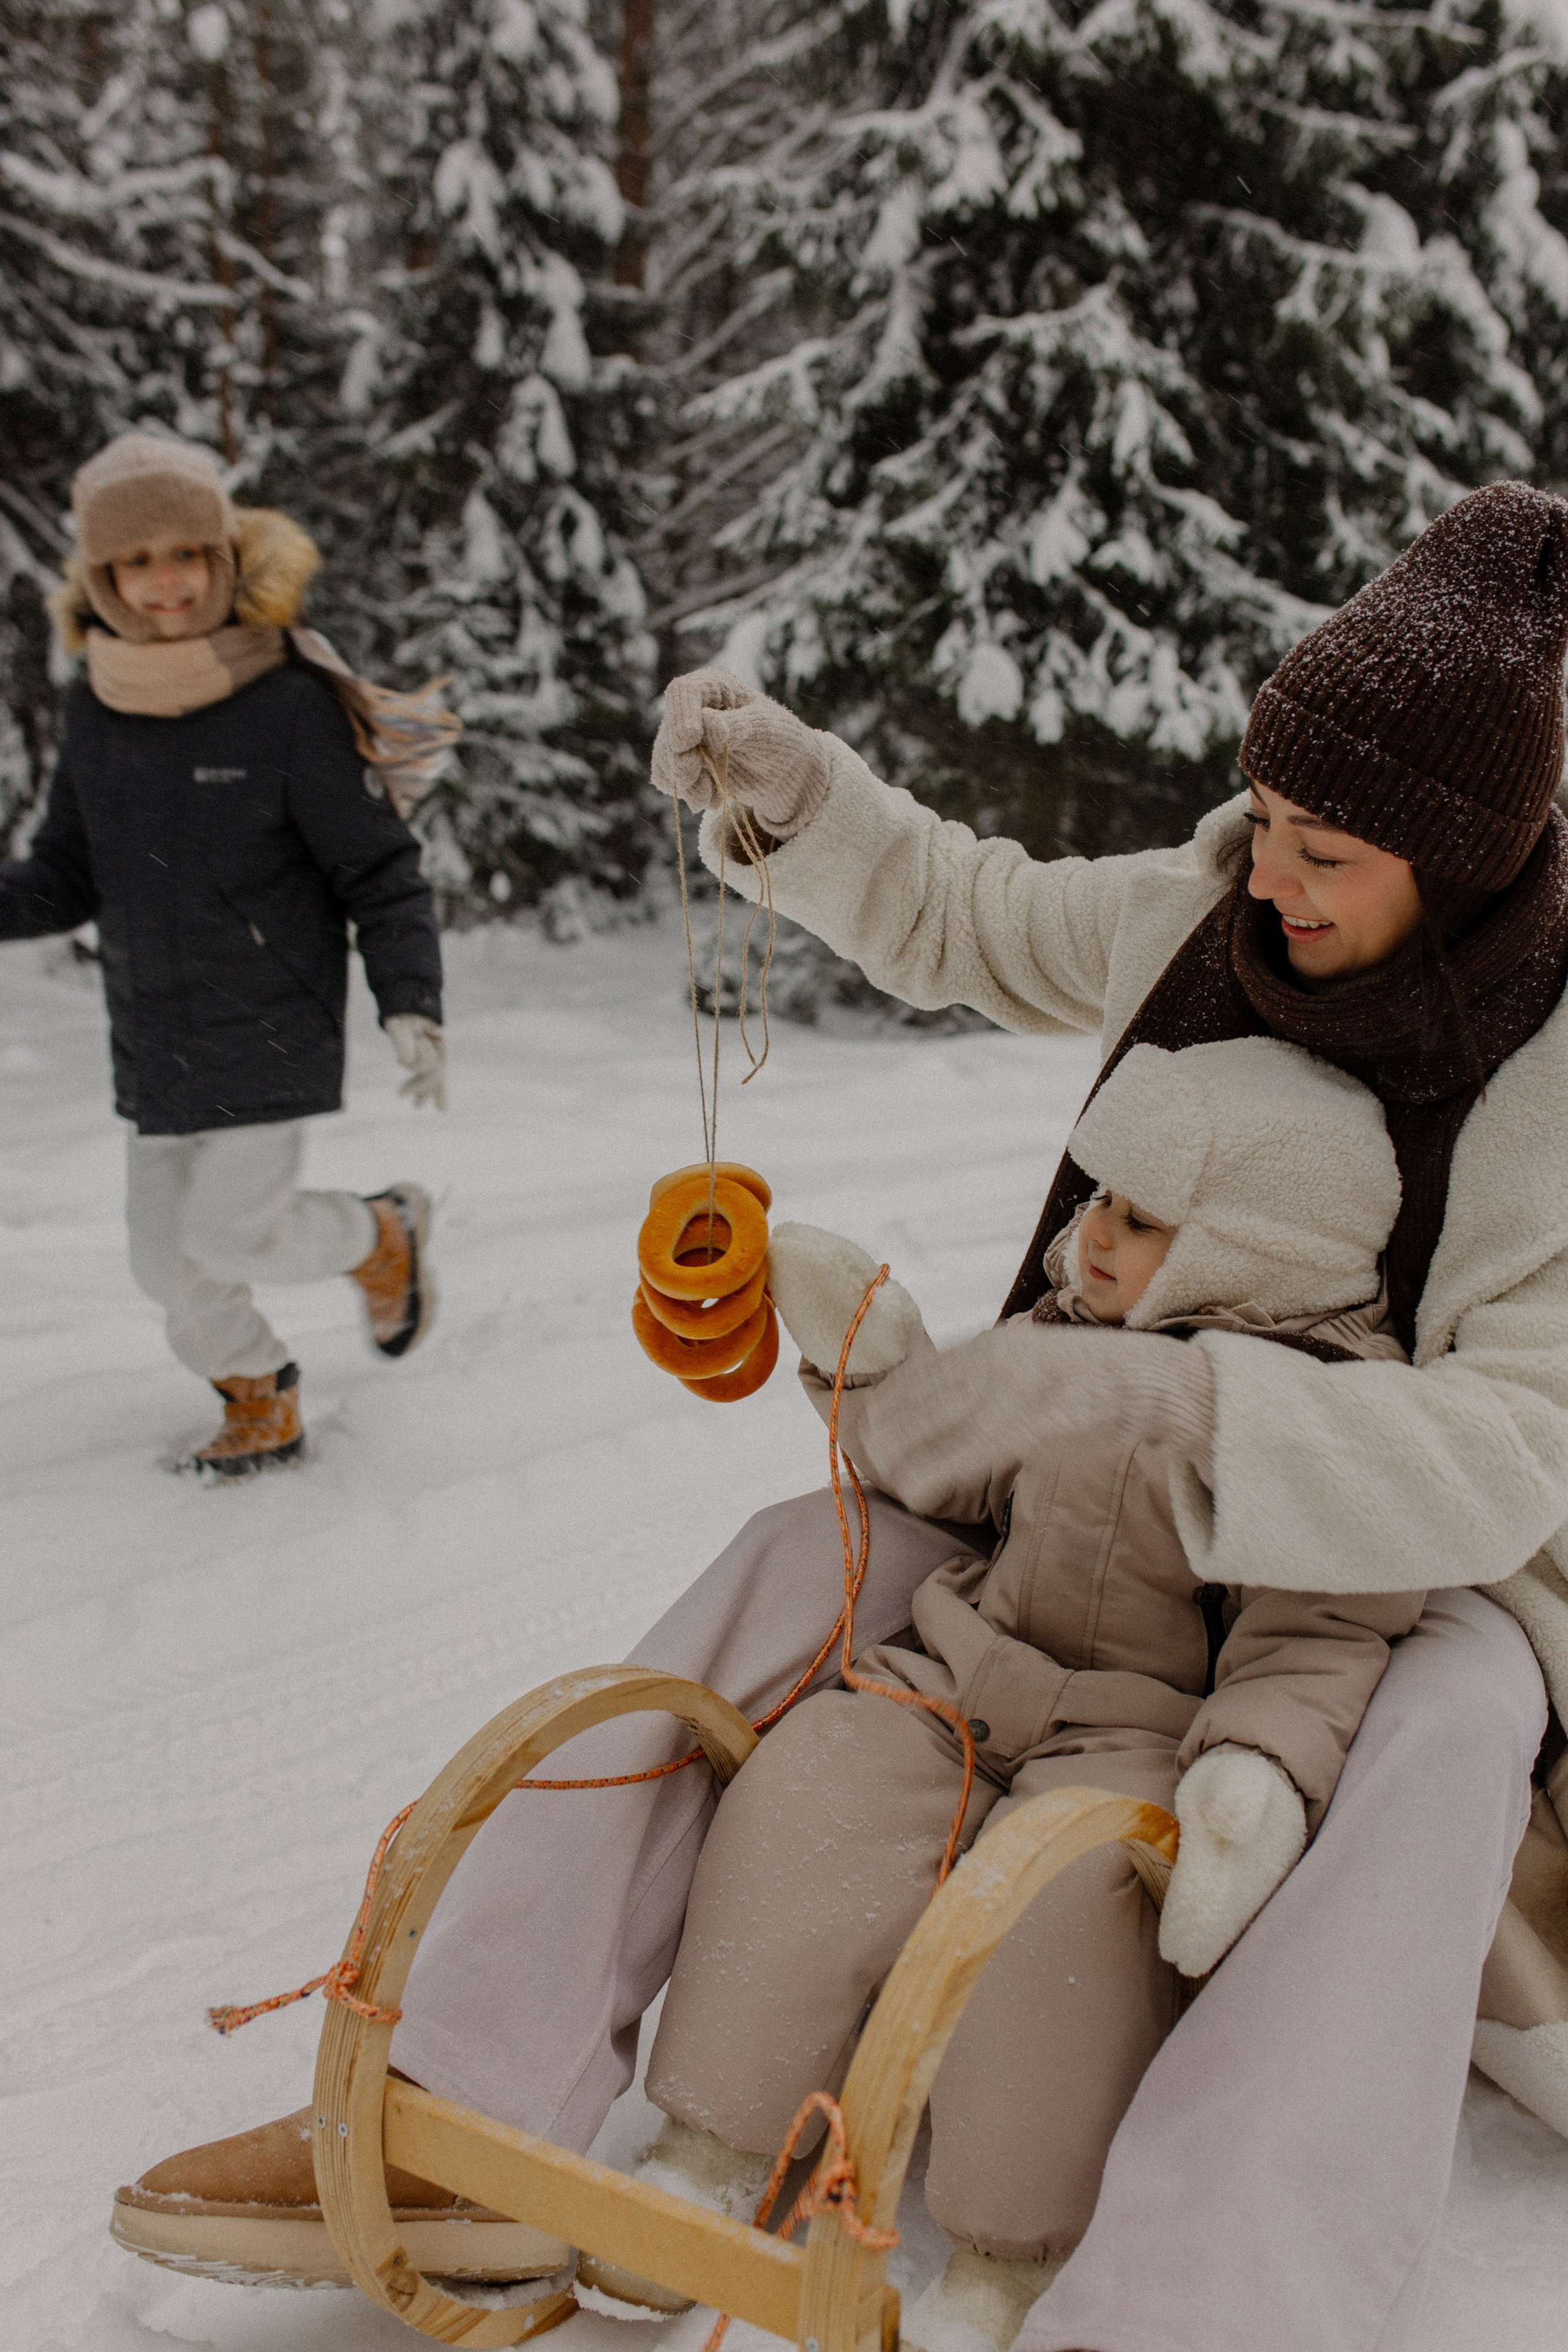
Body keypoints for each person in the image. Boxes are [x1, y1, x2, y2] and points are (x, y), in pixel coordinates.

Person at [115, 484, 1568, 2352]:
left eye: (1329, 855)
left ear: (1458, 863)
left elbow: (1507, 1457)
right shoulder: (1210, 921)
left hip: (1392, 1558)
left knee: (1455, 1718)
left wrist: (1159, 1400)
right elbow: (972, 915)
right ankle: (463, 2105)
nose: (1274, 877)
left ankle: (1228, 2295)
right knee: (796, 1557)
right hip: (1069, 1468)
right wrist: (798, 806)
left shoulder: (1548, 1082)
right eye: (1267, 820)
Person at [592, 1035, 1422, 2352]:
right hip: (956, 1675)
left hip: (1135, 1738)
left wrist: (1252, 1774)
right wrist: (877, 1375)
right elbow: (952, 1475)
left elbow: (1314, 1634)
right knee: (812, 1793)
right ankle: (711, 2146)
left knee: (1064, 1928)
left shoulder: (1311, 1423)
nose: (1089, 1236)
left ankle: (1006, 2255)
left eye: (1137, 1221)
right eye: (1097, 1198)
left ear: (1249, 1249)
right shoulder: (1065, 1339)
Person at [0, 434, 446, 1472]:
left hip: (269, 1018)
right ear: (104, 578)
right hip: (156, 1031)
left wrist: (410, 996)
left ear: (223, 557)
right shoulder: (96, 705)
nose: (165, 582)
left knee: (229, 1236)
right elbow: (66, 872)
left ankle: (380, 1235)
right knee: (162, 1259)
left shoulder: (287, 703)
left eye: (185, 554)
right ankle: (257, 1391)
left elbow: (378, 868)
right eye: (136, 562)